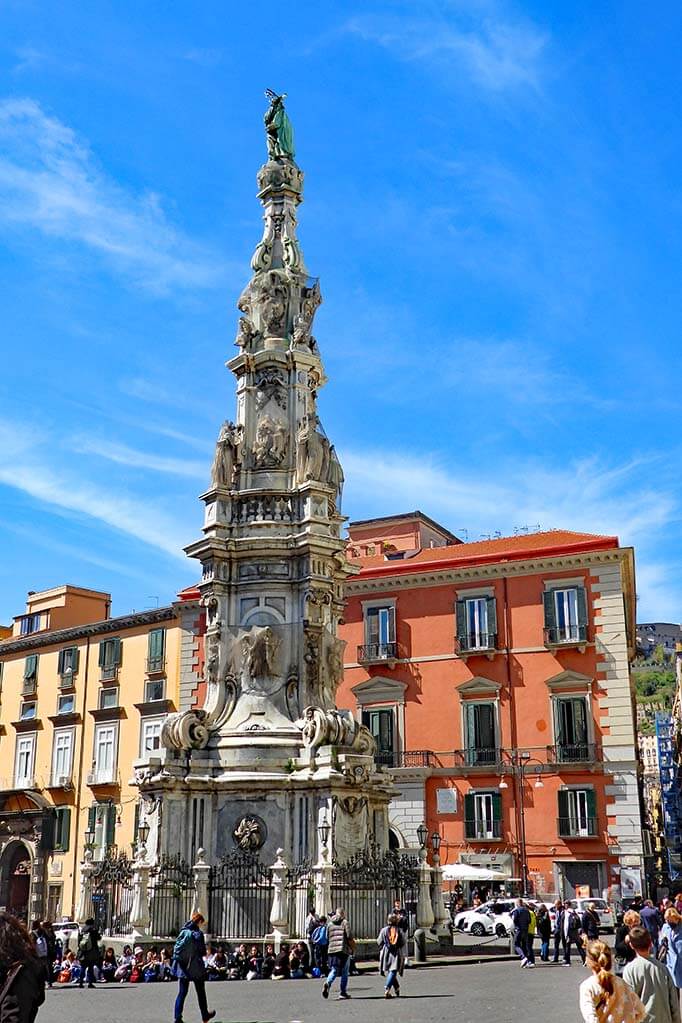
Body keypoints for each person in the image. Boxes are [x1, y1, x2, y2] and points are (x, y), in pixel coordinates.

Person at [623, 926, 681, 1023]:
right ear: (650, 944)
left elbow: (628, 1003)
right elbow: (673, 1002)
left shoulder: (629, 970)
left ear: (631, 945)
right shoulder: (663, 968)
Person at [580, 939, 646, 1023]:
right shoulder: (621, 983)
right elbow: (640, 1011)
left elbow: (591, 1018)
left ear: (588, 960)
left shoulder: (588, 986)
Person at [171, 912, 216, 1023]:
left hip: (183, 966)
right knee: (201, 992)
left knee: (182, 993)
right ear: (199, 921)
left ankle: (177, 1018)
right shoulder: (197, 934)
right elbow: (202, 951)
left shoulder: (183, 930)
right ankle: (205, 1015)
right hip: (195, 967)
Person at [322, 907, 354, 1000]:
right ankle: (343, 992)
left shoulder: (329, 924)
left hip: (332, 949)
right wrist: (352, 947)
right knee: (345, 971)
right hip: (343, 949)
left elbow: (326, 937)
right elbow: (349, 936)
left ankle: (328, 982)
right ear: (343, 913)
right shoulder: (345, 922)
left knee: (334, 969)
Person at [378, 913, 406, 999]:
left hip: (386, 952)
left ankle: (396, 988)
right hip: (396, 953)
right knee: (393, 970)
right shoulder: (399, 931)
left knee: (391, 971)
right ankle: (387, 988)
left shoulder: (384, 930)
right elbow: (403, 942)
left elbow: (379, 941)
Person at [660, 908, 682, 992]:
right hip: (671, 963)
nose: (669, 923)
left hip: (680, 961)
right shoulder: (666, 927)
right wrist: (663, 941)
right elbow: (661, 940)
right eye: (667, 920)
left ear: (677, 918)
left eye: (671, 921)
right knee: (673, 990)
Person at [77, 917, 101, 989]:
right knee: (90, 967)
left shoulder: (82, 930)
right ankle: (90, 983)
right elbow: (98, 938)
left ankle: (80, 982)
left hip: (82, 951)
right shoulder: (93, 930)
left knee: (82, 967)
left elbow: (79, 941)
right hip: (91, 951)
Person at [510, 898, 533, 969]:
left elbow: (514, 919)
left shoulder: (516, 911)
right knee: (524, 945)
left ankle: (523, 957)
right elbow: (529, 921)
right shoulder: (527, 911)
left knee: (516, 944)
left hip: (519, 929)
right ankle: (527, 961)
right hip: (525, 930)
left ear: (517, 904)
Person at [562, 901, 586, 966]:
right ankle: (584, 960)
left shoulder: (567, 912)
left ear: (567, 905)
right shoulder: (573, 911)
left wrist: (565, 934)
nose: (564, 905)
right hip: (575, 931)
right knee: (579, 946)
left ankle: (567, 962)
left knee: (567, 946)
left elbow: (566, 925)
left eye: (565, 904)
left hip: (569, 932)